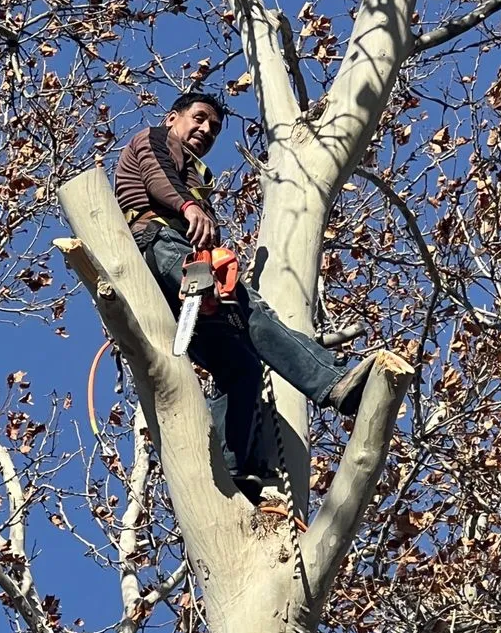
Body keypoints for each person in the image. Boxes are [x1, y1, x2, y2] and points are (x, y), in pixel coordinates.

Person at [114, 93, 373, 499]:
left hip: (172, 270)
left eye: (214, 128)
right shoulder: (157, 140)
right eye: (199, 119)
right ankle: (333, 381)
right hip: (161, 246)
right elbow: (156, 172)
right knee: (249, 310)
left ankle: (232, 472)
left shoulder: (193, 174)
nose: (206, 130)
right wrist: (188, 207)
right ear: (172, 117)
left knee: (240, 368)